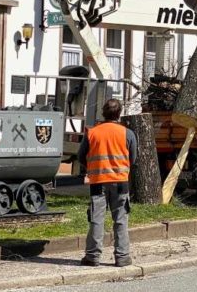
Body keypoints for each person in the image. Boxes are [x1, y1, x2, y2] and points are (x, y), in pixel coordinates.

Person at [79, 99, 137, 268]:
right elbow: (132, 159)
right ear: (119, 114)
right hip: (120, 182)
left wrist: (92, 167)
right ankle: (122, 257)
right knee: (120, 220)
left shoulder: (92, 133)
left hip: (98, 182)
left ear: (103, 113)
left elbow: (81, 157)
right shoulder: (128, 133)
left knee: (97, 219)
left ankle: (92, 256)